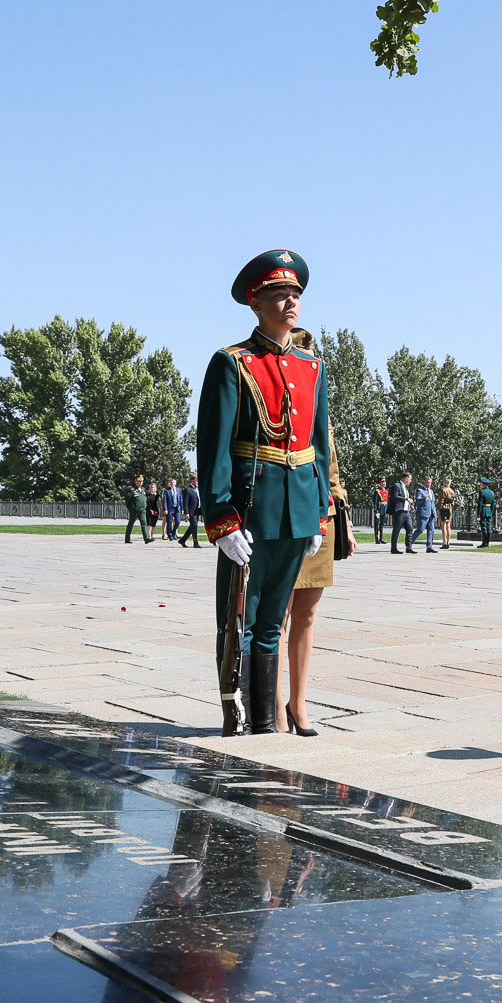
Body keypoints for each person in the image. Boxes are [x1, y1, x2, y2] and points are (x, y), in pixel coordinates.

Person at [197, 248, 332, 736]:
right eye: (279, 294)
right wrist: (221, 519)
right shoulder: (232, 363)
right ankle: (250, 718)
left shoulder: (311, 367)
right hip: (252, 505)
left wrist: (319, 510)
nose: (290, 301)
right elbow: (212, 447)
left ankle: (269, 722)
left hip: (297, 506)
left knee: (274, 616)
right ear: (255, 303)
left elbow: (317, 444)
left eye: (294, 293)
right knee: (243, 619)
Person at [276, 328, 353, 736]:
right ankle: (271, 703)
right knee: (279, 616)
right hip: (281, 515)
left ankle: (298, 704)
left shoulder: (320, 411)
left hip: (320, 517)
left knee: (306, 614)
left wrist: (346, 521)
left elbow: (331, 465)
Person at [388, 472, 415, 554]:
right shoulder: (397, 486)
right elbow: (394, 497)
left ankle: (409, 547)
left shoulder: (406, 488)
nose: (410, 481)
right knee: (396, 530)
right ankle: (393, 548)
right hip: (399, 512)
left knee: (410, 529)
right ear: (406, 478)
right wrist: (406, 499)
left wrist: (410, 506)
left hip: (407, 512)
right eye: (410, 479)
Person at [411, 476, 438, 553]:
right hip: (423, 514)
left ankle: (429, 546)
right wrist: (424, 498)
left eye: (430, 483)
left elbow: (433, 503)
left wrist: (435, 514)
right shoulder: (420, 490)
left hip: (431, 515)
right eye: (428, 482)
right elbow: (418, 500)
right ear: (424, 482)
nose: (429, 484)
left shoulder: (431, 491)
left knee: (431, 530)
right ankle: (409, 543)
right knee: (420, 529)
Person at [125, 476, 152, 544]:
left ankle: (146, 538)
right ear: (136, 482)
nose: (140, 483)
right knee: (131, 524)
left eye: (141, 482)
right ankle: (127, 538)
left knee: (144, 524)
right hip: (134, 510)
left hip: (142, 510)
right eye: (139, 481)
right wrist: (131, 508)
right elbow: (128, 500)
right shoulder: (132, 490)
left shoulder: (142, 490)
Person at [179, 474, 203, 548]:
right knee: (194, 525)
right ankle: (195, 542)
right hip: (191, 511)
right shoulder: (187, 489)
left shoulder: (197, 489)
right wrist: (186, 512)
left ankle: (182, 540)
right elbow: (185, 502)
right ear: (192, 480)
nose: (197, 482)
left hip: (197, 510)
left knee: (192, 526)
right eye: (196, 480)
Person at [476, 476, 495, 547]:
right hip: (489, 511)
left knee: (484, 527)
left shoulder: (482, 492)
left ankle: (484, 543)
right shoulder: (492, 492)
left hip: (483, 510)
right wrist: (491, 511)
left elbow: (480, 504)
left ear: (484, 484)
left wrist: (478, 514)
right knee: (488, 527)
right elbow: (493, 504)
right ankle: (487, 542)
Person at [438, 477, 456, 549]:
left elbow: (441, 500)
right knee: (449, 526)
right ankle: (449, 541)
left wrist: (439, 508)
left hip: (444, 508)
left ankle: (444, 542)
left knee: (443, 526)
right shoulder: (452, 491)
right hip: (450, 508)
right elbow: (453, 501)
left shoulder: (443, 490)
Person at [372, 477, 388, 545]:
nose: (384, 483)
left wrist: (387, 510)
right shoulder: (377, 491)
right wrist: (376, 510)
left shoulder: (386, 491)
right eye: (382, 482)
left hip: (384, 509)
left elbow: (387, 501)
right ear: (380, 483)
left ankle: (381, 538)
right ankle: (377, 538)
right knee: (377, 524)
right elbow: (375, 501)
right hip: (379, 508)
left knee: (381, 524)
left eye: (385, 482)